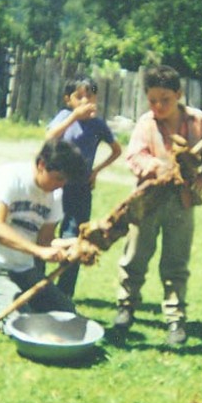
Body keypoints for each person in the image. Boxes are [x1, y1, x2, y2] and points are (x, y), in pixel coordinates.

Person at [114, 65, 202, 345]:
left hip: (182, 202)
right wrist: (157, 167)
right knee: (135, 255)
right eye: (152, 100)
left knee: (176, 261)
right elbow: (134, 156)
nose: (159, 106)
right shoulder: (146, 124)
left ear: (179, 94)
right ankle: (126, 306)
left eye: (165, 99)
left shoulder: (199, 122)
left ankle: (175, 318)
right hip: (148, 200)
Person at [0, 139, 87, 333]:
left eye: (65, 180)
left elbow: (45, 242)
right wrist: (38, 251)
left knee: (67, 313)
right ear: (42, 164)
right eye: (58, 178)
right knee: (22, 323)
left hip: (23, 270)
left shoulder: (55, 194)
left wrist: (72, 244)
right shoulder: (9, 177)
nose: (61, 185)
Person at [46, 75, 122, 297]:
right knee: (44, 231)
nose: (85, 101)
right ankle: (36, 281)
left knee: (75, 236)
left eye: (90, 96)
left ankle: (64, 291)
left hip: (80, 187)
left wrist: (96, 170)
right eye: (79, 97)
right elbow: (49, 138)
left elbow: (116, 150)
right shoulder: (64, 117)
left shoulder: (98, 125)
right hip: (55, 186)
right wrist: (73, 118)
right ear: (68, 100)